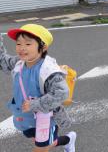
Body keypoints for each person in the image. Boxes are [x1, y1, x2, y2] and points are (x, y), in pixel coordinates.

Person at [0, 24, 76, 152]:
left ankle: (64, 141)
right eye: (18, 44)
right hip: (26, 116)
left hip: (45, 117)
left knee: (41, 148)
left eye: (28, 44)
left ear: (43, 46)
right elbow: (2, 61)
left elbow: (62, 93)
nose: (22, 48)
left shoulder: (48, 69)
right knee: (42, 142)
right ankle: (69, 140)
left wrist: (35, 104)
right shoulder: (19, 62)